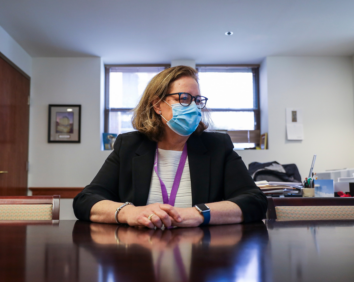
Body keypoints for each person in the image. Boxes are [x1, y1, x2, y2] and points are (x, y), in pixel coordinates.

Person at [73, 66, 267, 228]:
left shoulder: (217, 146)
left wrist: (198, 214)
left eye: (197, 100)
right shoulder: (129, 146)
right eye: (183, 98)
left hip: (203, 256)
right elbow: (86, 200)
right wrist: (129, 213)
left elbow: (254, 201)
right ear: (158, 105)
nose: (192, 107)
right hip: (138, 256)